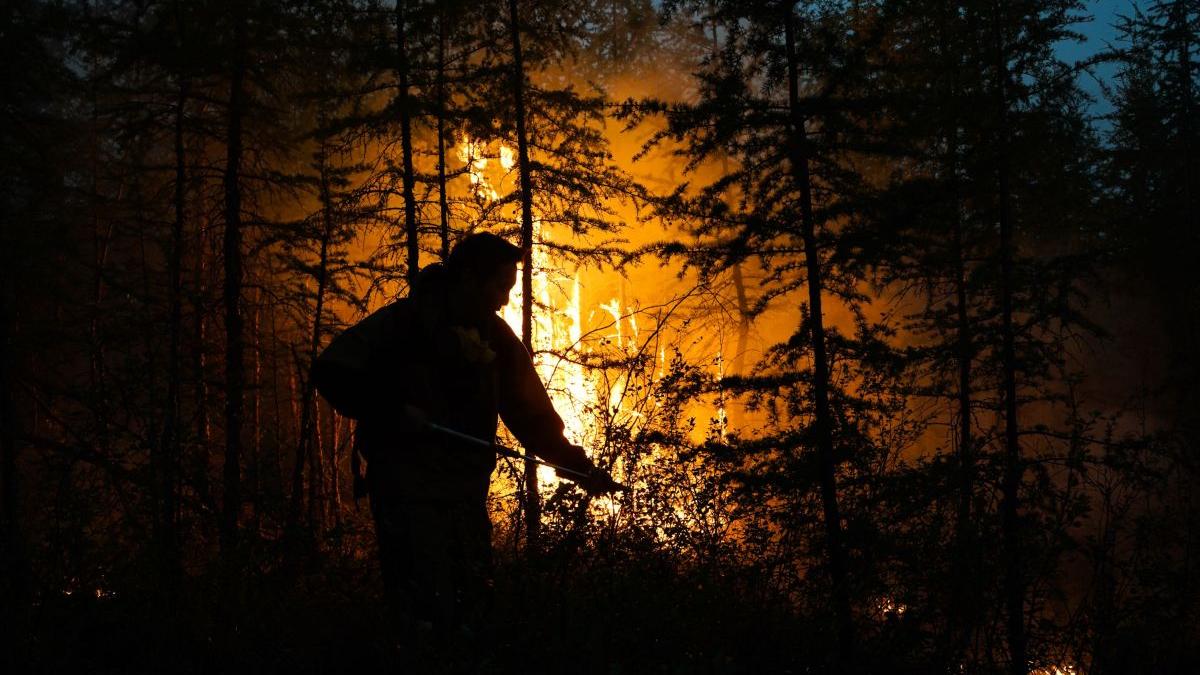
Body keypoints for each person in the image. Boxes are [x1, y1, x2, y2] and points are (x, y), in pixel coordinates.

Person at [312, 232, 621, 649]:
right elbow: (332, 370)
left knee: (471, 612)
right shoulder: (402, 324)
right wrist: (391, 411)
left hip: (464, 498)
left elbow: (531, 417)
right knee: (419, 619)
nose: (505, 300)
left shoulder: (495, 338)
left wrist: (579, 468)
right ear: (469, 279)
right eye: (499, 287)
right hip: (406, 498)